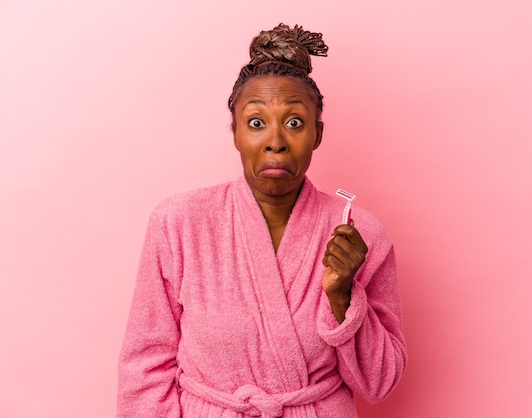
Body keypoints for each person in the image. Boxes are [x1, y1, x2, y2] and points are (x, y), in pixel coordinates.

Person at [117, 23, 407, 417]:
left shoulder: (360, 235)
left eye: (294, 122)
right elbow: (145, 370)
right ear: (234, 131)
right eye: (256, 123)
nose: (275, 140)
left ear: (317, 134)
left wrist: (343, 296)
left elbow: (380, 384)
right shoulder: (179, 224)